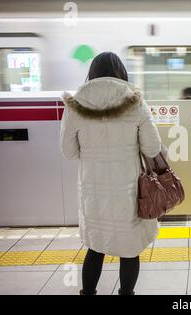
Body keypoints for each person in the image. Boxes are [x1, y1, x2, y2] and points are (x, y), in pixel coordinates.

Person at [60, 52, 162, 295]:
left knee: (95, 247)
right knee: (130, 248)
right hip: (127, 192)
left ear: (92, 73)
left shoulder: (76, 104)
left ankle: (88, 293)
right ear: (121, 72)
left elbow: (68, 152)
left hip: (92, 192)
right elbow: (152, 148)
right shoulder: (135, 102)